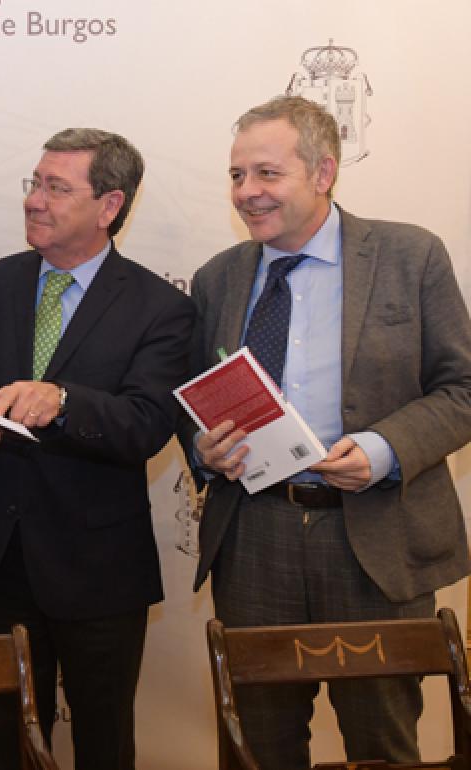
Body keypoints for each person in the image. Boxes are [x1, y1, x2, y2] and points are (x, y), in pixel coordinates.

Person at [185, 95, 471, 769]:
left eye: (267, 173)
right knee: (256, 748)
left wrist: (384, 450)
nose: (247, 192)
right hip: (254, 538)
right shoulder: (217, 278)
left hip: (374, 540)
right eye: (237, 175)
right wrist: (203, 449)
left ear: (323, 172)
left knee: (383, 745)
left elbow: (462, 389)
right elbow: (194, 403)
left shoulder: (410, 256)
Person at [0, 128, 194, 770]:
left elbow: (147, 423)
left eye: (57, 188)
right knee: (7, 745)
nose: (34, 200)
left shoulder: (160, 307)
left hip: (100, 571)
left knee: (104, 746)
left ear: (109, 206)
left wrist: (64, 402)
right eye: (35, 183)